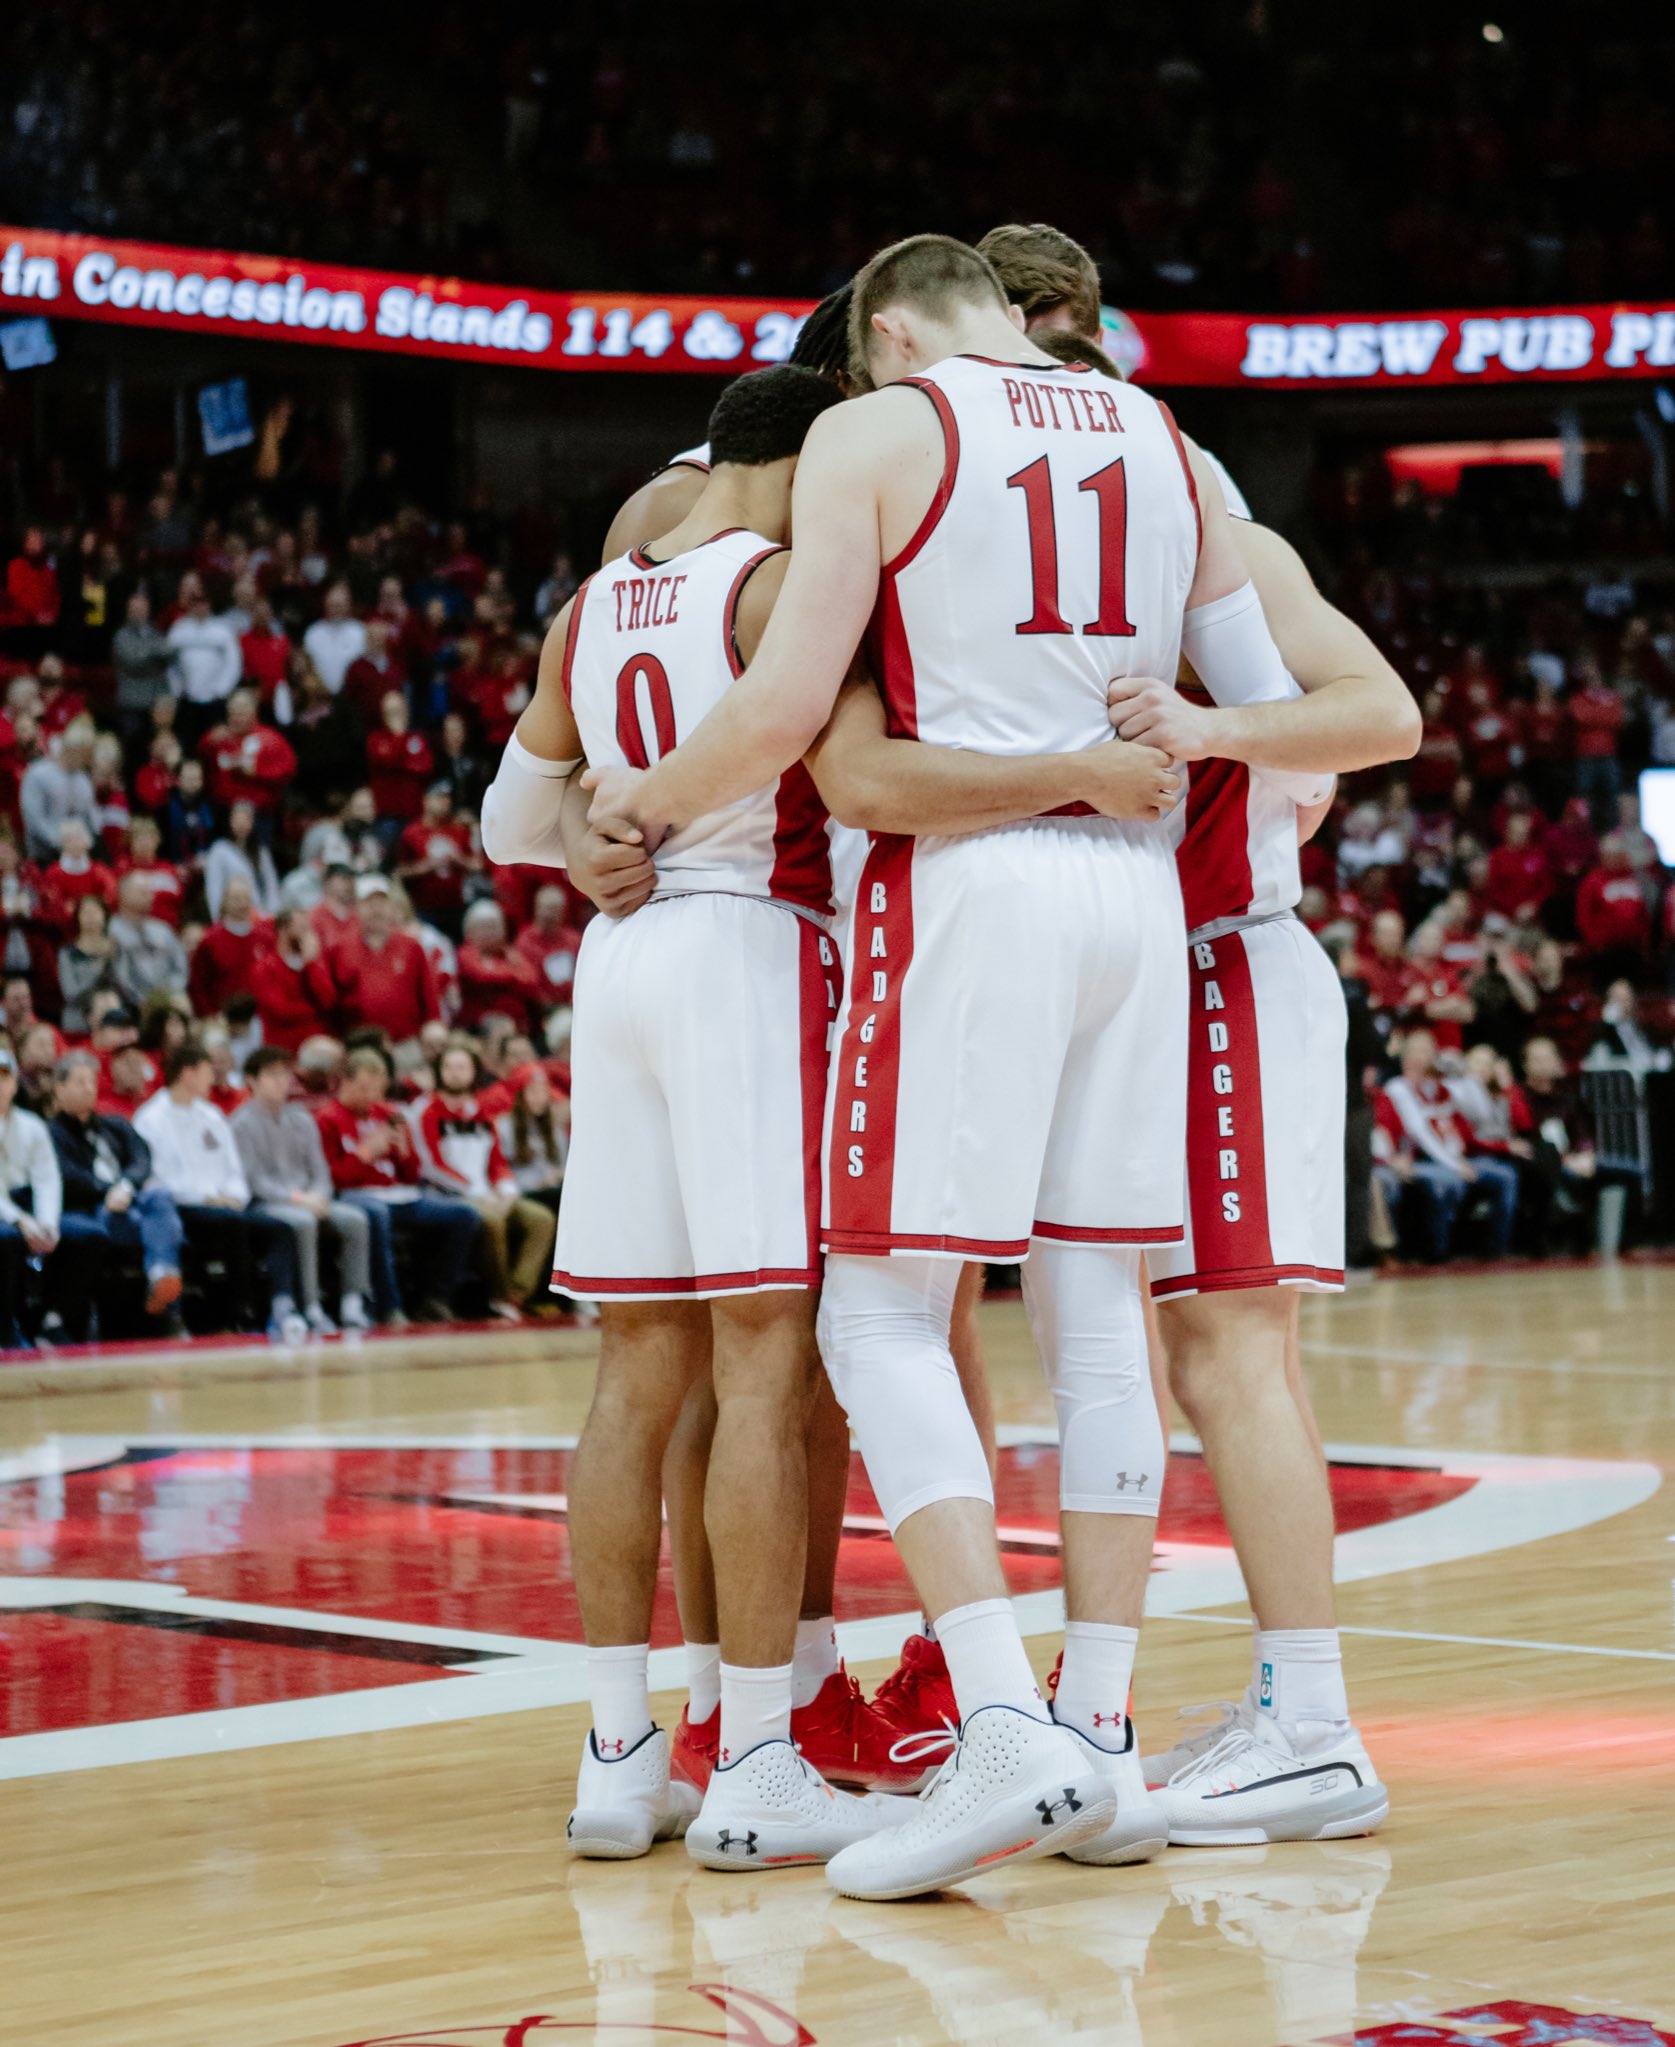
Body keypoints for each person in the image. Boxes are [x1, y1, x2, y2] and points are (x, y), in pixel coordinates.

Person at [573, 237, 1356, 1901]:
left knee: (876, 1309)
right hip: (1143, 901)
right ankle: (1102, 1734)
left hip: (970, 885)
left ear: (894, 331)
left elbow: (797, 712)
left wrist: (638, 806)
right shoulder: (1161, 439)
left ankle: (997, 1722)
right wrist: (1178, 760)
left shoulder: (886, 428)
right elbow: (1299, 733)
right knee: (1094, 1314)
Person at [134, 1037, 307, 1344]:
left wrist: (234, 1196)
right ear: (187, 1073)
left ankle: (283, 1307)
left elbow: (234, 1171)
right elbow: (156, 1179)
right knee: (234, 1225)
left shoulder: (212, 1115)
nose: (213, 1078)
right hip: (182, 1208)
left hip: (224, 1205)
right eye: (206, 1070)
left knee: (281, 1228)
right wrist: (207, 1198)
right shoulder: (151, 1118)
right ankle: (238, 1313)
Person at [317, 1047, 482, 1325]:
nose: (372, 1097)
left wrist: (404, 1150)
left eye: (378, 1089)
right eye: (364, 1088)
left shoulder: (388, 1112)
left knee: (464, 1215)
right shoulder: (328, 1118)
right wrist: (366, 1153)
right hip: (354, 1196)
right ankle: (388, 1305)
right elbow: (331, 1178)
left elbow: (411, 1174)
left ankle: (435, 1298)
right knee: (376, 1215)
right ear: (344, 1083)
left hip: (400, 1195)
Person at [233, 1046, 372, 1335]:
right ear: (251, 1081)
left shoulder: (301, 1118)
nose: (281, 1082)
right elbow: (254, 1181)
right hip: (266, 1203)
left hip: (309, 1198)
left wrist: (319, 1195)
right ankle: (311, 1306)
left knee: (356, 1219)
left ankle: (352, 1302)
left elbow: (320, 1170)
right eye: (272, 1075)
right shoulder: (241, 1123)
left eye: (285, 1075)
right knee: (303, 1221)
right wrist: (298, 1199)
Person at [412, 1038, 555, 1321]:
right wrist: (475, 1192)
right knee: (492, 1221)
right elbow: (430, 1165)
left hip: (487, 1191)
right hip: (449, 1193)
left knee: (541, 1219)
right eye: (449, 1067)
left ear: (473, 1071)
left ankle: (517, 1295)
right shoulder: (426, 1110)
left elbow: (497, 1160)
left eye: (462, 1067)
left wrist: (507, 1190)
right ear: (439, 1071)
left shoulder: (481, 1113)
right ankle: (499, 1295)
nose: (455, 1073)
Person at [49, 1049, 185, 1333]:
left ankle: (162, 1275)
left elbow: (142, 1158)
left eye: (92, 1081)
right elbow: (67, 1176)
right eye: (80, 1082)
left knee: (160, 1197)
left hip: (130, 1198)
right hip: (91, 1208)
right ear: (59, 1089)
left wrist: (125, 1186)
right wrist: (109, 1191)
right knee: (157, 1225)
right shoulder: (51, 1132)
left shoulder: (114, 1124)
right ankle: (166, 1297)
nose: (89, 1088)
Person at [1375, 1028, 1521, 1260]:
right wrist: (1455, 1165)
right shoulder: (1398, 1089)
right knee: (1448, 1181)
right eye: (1422, 1050)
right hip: (1422, 1160)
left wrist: (1466, 1075)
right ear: (1407, 1057)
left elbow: (1481, 1115)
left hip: (1455, 1158)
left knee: (1505, 1175)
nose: (1430, 1055)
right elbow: (1420, 1133)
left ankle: (1496, 1250)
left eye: (1432, 1049)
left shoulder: (1442, 1088)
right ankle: (1437, 1254)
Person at [0, 1044, 61, 1347]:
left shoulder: (32, 1125)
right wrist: (21, 1220)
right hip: (6, 1211)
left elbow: (47, 1178)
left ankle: (52, 1321)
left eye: (4, 1078)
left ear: (13, 1083)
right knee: (8, 1239)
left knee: (83, 1237)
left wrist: (47, 1222)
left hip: (26, 1203)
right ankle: (7, 1324)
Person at [339, 875, 439, 1053]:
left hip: (405, 1042)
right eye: (369, 904)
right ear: (357, 908)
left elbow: (428, 994)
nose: (376, 910)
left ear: (392, 908)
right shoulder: (340, 949)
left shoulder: (411, 947)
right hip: (358, 1044)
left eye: (381, 903)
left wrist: (433, 1023)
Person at [250, 907, 343, 1054]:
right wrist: (315, 1011)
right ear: (283, 929)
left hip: (316, 1045)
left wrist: (311, 965)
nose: (307, 934)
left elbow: (328, 1000)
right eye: (301, 928)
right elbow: (282, 1011)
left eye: (308, 928)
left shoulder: (314, 963)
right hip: (282, 1047)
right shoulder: (264, 968)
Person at [188, 875, 269, 1018]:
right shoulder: (210, 940)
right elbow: (198, 984)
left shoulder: (264, 937)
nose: (242, 904)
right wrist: (209, 1015)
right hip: (223, 1017)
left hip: (261, 1015)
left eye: (246, 898)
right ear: (225, 901)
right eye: (236, 899)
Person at [109, 871, 188, 1011]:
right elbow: (120, 975)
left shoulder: (163, 930)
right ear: (123, 894)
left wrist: (169, 993)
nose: (150, 897)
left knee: (182, 1004)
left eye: (150, 893)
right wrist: (144, 1000)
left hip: (167, 998)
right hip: (129, 1003)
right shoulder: (111, 931)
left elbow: (180, 966)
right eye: (142, 893)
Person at [20, 721, 97, 862]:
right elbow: (34, 820)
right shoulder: (38, 774)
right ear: (71, 749)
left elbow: (89, 818)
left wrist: (86, 842)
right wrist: (60, 843)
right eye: (86, 755)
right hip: (43, 854)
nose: (88, 761)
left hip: (76, 854)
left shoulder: (83, 781)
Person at [495, 1063, 566, 1215]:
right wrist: (537, 1183)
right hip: (521, 1192)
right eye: (533, 1091)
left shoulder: (554, 1130)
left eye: (543, 1092)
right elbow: (500, 1169)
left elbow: (563, 1165)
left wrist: (557, 1175)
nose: (539, 1098)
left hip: (551, 1189)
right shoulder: (504, 1127)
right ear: (520, 1094)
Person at [111, 589, 174, 752]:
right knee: (131, 749)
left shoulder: (156, 633)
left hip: (154, 703)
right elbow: (132, 660)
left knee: (154, 748)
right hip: (131, 703)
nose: (138, 613)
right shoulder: (121, 636)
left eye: (141, 609)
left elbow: (168, 653)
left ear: (148, 611)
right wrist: (154, 655)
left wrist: (146, 653)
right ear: (128, 612)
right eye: (134, 610)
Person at [204, 797, 281, 919]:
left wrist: (272, 915)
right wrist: (218, 918)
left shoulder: (261, 852)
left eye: (246, 820)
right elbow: (214, 888)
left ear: (252, 823)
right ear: (230, 821)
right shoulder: (219, 850)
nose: (241, 825)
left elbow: (271, 885)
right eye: (237, 820)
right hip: (233, 915)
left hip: (262, 917)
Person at [58, 891, 119, 1037]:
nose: (90, 917)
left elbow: (125, 984)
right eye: (85, 912)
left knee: (110, 1003)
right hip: (80, 1010)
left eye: (95, 911)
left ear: (105, 915)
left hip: (114, 1004)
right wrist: (98, 964)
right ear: (78, 918)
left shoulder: (116, 948)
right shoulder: (68, 953)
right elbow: (70, 992)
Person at [302, 582, 367, 696]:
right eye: (333, 605)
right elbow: (308, 669)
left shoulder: (360, 631)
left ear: (349, 605)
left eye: (340, 605)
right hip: (320, 697)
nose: (336, 609)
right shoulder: (313, 633)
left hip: (353, 696)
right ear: (325, 604)